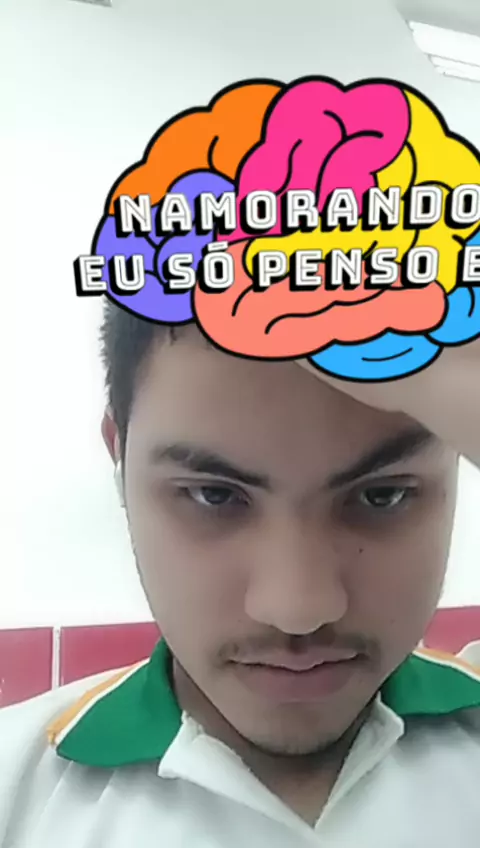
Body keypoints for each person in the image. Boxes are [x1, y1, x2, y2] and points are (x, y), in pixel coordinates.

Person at [1, 303, 479, 848]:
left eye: (382, 495)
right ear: (120, 455)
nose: (296, 609)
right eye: (214, 495)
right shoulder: (15, 790)